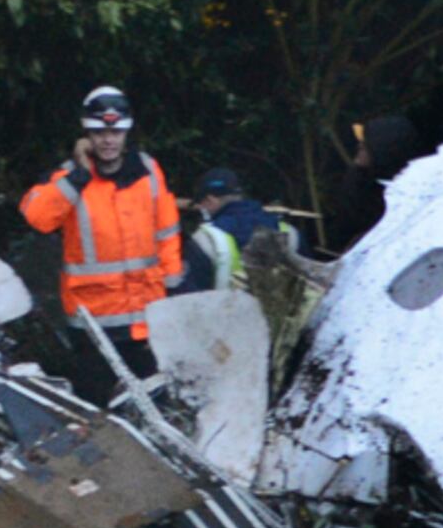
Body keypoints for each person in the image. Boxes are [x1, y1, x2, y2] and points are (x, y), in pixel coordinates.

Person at [18, 84, 181, 380]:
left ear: (126, 133)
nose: (108, 141)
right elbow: (37, 217)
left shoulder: (148, 171)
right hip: (93, 322)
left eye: (115, 133)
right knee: (99, 409)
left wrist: (175, 290)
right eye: (100, 133)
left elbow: (166, 233)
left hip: (147, 317)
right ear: (88, 135)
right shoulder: (68, 178)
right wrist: (78, 177)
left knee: (152, 401)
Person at [177, 168, 292, 294]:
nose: (202, 209)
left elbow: (191, 299)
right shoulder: (289, 231)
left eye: (202, 203)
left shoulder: (205, 240)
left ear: (211, 200)